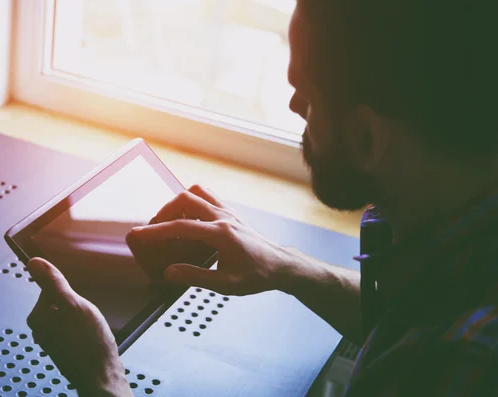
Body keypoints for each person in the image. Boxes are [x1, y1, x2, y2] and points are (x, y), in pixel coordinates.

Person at [25, 0, 498, 396]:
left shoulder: (461, 366)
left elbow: (424, 349)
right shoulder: (462, 239)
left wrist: (103, 381)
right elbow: (408, 317)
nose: (294, 107)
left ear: (367, 140)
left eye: (307, 96)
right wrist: (288, 265)